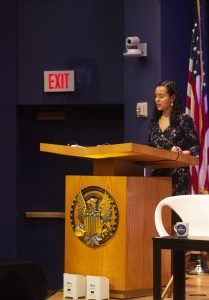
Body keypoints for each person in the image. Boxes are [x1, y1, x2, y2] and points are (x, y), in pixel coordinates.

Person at [148, 80, 200, 196]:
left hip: (177, 176)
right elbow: (150, 146)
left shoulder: (184, 120)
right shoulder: (154, 122)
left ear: (172, 98)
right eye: (155, 96)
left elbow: (196, 148)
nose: (157, 100)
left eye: (161, 96)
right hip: (157, 175)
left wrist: (180, 153)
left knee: (173, 213)